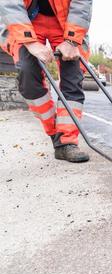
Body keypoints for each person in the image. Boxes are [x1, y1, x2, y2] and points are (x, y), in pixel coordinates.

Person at [0, 0, 93, 163]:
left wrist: (72, 40)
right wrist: (29, 41)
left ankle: (67, 142)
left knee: (73, 75)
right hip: (24, 20)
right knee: (28, 74)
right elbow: (10, 4)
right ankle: (55, 134)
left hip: (65, 21)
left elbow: (82, 3)